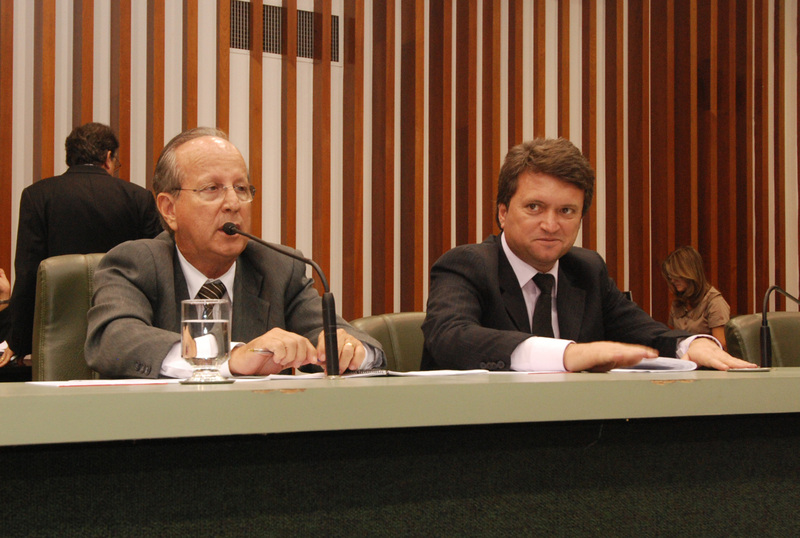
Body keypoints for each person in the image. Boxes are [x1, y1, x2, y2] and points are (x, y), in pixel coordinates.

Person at [421, 138, 756, 372]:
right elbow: (450, 338)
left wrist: (691, 344)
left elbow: (646, 333)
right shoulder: (466, 265)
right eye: (534, 207)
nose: (551, 224)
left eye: (566, 211)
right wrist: (568, 354)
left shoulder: (586, 269)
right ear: (503, 213)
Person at [85, 127, 384, 378]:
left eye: (241, 189)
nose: (233, 204)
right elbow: (113, 339)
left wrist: (352, 352)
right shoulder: (134, 263)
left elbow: (356, 342)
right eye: (212, 189)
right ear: (169, 209)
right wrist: (228, 358)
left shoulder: (279, 268)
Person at [0, 123, 162, 370]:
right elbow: (155, 268)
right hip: (123, 329)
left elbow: (28, 273)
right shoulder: (138, 198)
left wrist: (17, 340)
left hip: (55, 331)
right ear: (108, 157)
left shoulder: (37, 196)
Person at [662, 246, 730, 350]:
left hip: (706, 358)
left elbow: (721, 346)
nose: (672, 280)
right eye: (670, 276)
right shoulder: (678, 303)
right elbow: (673, 339)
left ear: (689, 273)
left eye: (675, 276)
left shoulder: (714, 302)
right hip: (681, 357)